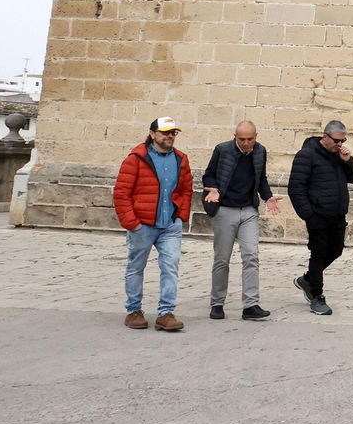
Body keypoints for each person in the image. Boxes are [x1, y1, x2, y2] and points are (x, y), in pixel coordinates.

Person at [113, 117, 193, 332]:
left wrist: (180, 216)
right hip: (143, 225)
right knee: (136, 267)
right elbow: (121, 193)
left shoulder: (180, 159)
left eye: (173, 133)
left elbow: (186, 189)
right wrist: (132, 223)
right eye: (165, 132)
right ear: (152, 134)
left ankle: (165, 313)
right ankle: (134, 311)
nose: (169, 136)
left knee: (170, 266)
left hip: (170, 225)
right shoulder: (136, 159)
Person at [201, 121, 282, 321]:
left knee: (251, 256)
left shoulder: (260, 151)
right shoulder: (222, 150)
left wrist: (267, 197)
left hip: (248, 210)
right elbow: (208, 175)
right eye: (242, 139)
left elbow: (260, 178)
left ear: (256, 136)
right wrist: (213, 189)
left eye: (250, 139)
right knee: (222, 258)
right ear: (234, 137)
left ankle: (250, 305)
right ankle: (217, 303)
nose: (246, 143)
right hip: (225, 209)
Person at [288, 120, 353, 316]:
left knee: (336, 250)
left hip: (337, 213)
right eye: (337, 140)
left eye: (343, 140)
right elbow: (296, 188)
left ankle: (307, 280)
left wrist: (348, 161)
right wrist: (308, 215)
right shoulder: (307, 155)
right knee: (318, 254)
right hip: (317, 214)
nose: (340, 144)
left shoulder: (339, 155)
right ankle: (317, 296)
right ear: (325, 137)